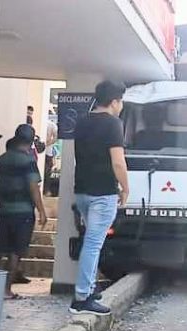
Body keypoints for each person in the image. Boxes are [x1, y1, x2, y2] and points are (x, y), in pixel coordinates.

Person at [69, 80, 129, 316]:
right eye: (121, 101)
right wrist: (125, 188)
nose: (121, 105)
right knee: (94, 244)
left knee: (91, 242)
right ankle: (81, 298)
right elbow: (118, 161)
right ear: (114, 101)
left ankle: (89, 289)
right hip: (103, 193)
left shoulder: (82, 122)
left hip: (83, 191)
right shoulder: (113, 124)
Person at [0, 125, 48, 299]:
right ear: (31, 141)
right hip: (22, 213)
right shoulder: (28, 161)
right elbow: (33, 187)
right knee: (16, 252)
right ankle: (6, 290)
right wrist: (42, 211)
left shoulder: (1, 160)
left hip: (4, 210)